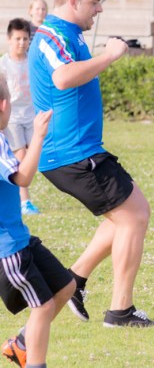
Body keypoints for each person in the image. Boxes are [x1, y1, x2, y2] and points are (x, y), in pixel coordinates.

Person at [28, 0, 154, 328]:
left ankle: (76, 281)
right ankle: (120, 312)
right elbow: (63, 77)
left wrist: (99, 54)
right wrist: (110, 56)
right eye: (95, 1)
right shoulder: (54, 34)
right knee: (135, 215)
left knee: (122, 217)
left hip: (79, 151)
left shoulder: (67, 32)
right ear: (73, 0)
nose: (99, 9)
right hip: (73, 154)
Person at [0, 78, 75, 368]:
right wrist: (39, 135)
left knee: (66, 286)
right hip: (10, 250)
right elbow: (23, 178)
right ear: (4, 105)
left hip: (22, 239)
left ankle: (21, 343)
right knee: (42, 307)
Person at [1, 19, 41, 215]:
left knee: (37, 153)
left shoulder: (33, 61)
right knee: (21, 157)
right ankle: (25, 202)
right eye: (17, 39)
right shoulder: (3, 64)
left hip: (32, 116)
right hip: (13, 117)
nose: (21, 43)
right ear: (9, 39)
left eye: (25, 39)